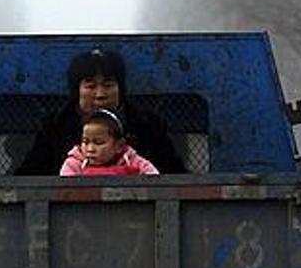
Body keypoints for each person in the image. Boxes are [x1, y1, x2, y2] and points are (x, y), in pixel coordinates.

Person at [15, 47, 185, 175]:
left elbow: (174, 174)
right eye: (90, 86)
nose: (100, 94)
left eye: (108, 85)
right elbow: (29, 176)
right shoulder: (54, 127)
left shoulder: (148, 125)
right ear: (77, 90)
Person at [59, 109, 159, 176]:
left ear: (119, 145)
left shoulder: (133, 161)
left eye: (98, 142)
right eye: (85, 142)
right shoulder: (73, 164)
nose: (90, 149)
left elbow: (154, 181)